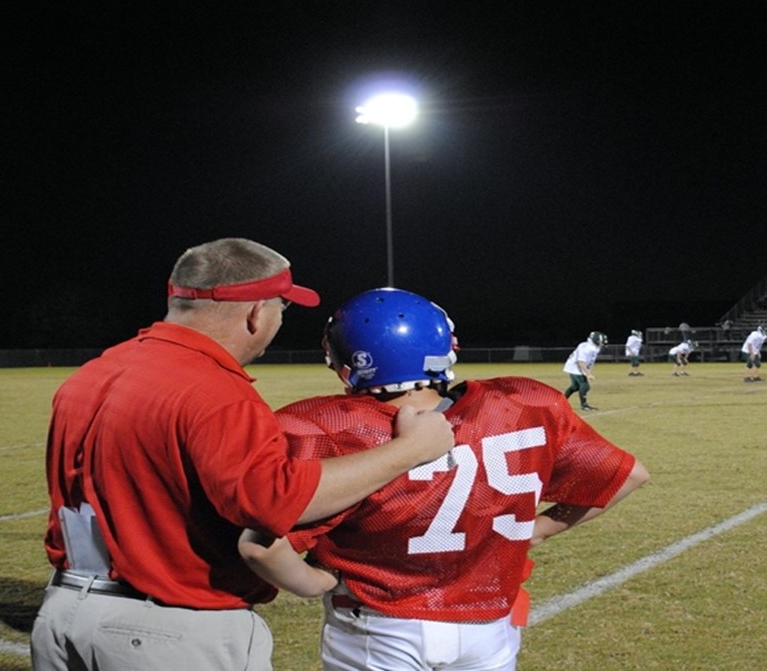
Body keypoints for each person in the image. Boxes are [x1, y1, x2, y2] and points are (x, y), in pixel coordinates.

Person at [30, 238, 455, 671]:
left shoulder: (94, 372)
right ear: (256, 313)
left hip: (65, 612)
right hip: (165, 630)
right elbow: (273, 502)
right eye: (280, 308)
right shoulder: (213, 390)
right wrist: (409, 450)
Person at [240, 288, 649, 671]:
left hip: (380, 626)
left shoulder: (323, 426)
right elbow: (627, 475)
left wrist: (312, 583)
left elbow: (261, 548)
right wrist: (537, 529)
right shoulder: (523, 403)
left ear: (345, 361)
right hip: (489, 629)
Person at [563, 331, 606, 410]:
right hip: (575, 367)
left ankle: (561, 401)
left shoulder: (589, 346)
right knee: (585, 386)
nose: (602, 344)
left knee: (575, 386)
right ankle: (584, 405)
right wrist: (588, 374)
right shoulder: (587, 348)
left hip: (573, 366)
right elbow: (580, 362)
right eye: (601, 342)